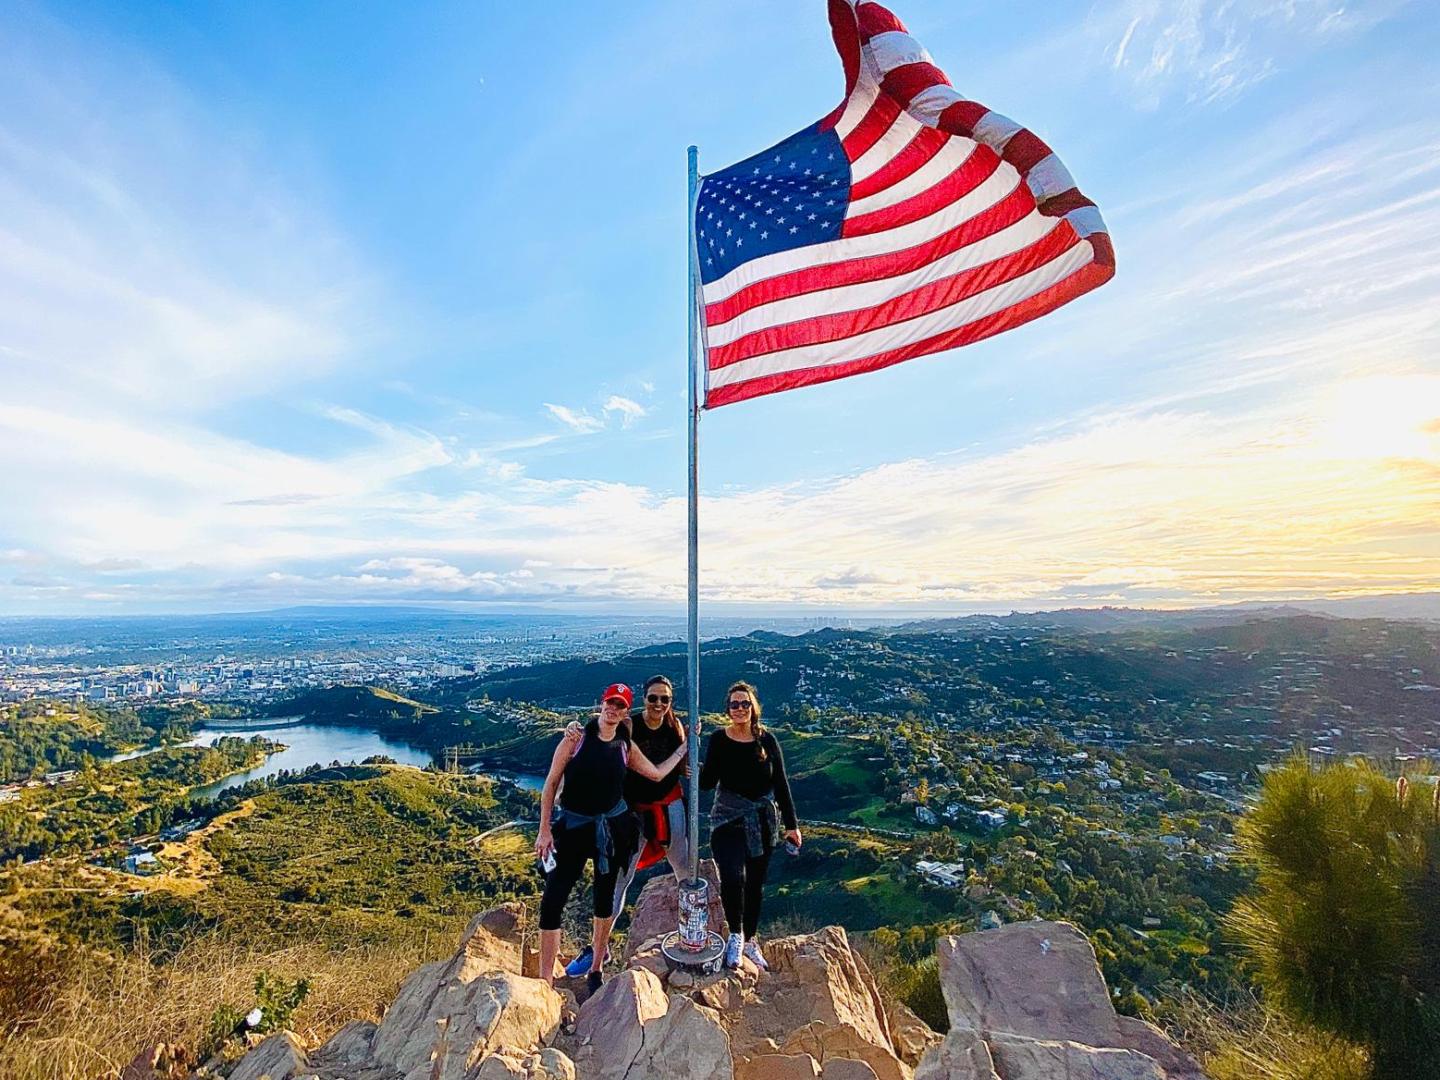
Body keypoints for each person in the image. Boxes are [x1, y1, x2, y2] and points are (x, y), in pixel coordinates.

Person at [535, 682, 688, 992]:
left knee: (605, 899)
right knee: (553, 900)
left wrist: (686, 748)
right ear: (602, 703)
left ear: (625, 710)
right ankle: (545, 980)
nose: (614, 709)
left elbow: (657, 774)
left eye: (620, 705)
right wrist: (544, 830)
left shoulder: (625, 744)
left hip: (612, 829)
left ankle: (595, 969)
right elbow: (550, 785)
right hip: (575, 827)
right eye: (610, 703)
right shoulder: (576, 739)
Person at [700, 680, 801, 971]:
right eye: (735, 704)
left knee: (755, 885)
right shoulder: (719, 739)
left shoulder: (766, 740)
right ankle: (735, 935)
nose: (740, 708)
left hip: (761, 821)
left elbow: (780, 784)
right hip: (727, 820)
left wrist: (791, 825)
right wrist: (691, 755)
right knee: (733, 877)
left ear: (753, 707)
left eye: (745, 703)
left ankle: (751, 941)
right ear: (728, 709)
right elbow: (707, 784)